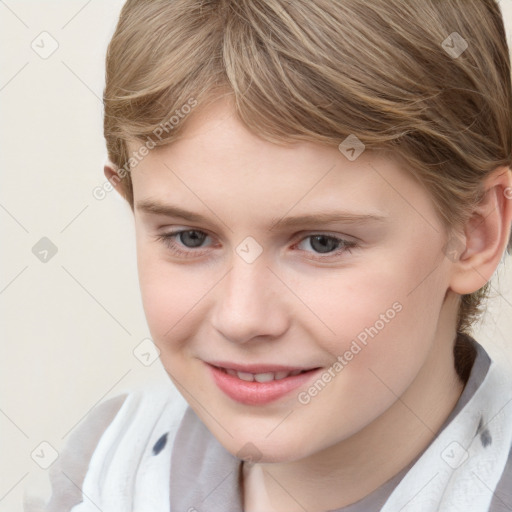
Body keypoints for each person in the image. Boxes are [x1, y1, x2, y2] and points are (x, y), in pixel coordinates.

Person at [25, 0, 512, 510]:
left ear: (473, 233)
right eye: (190, 237)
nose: (241, 319)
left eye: (322, 243)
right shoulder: (104, 473)